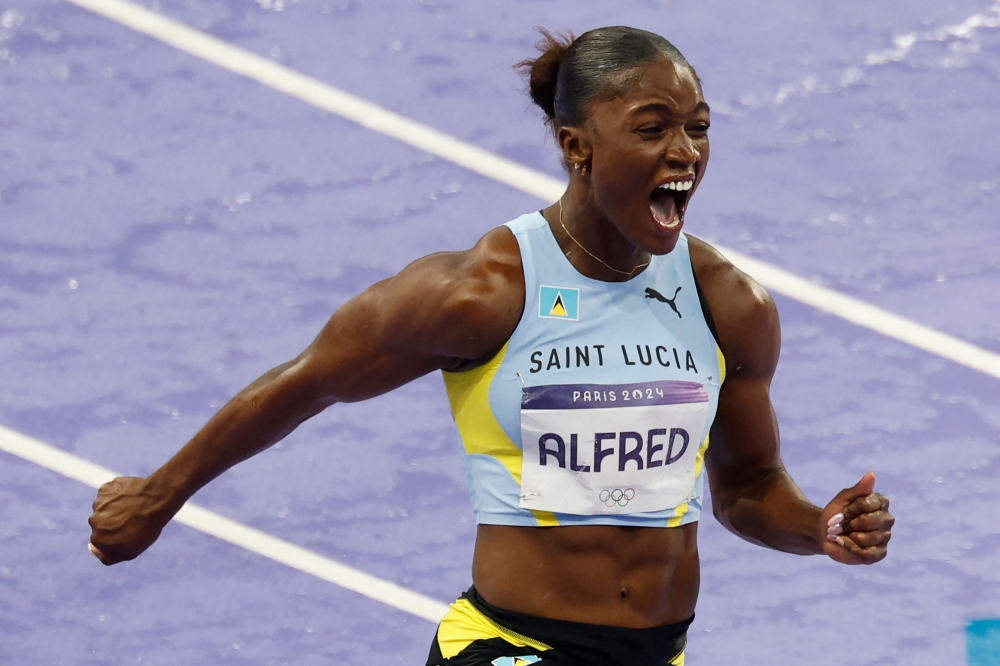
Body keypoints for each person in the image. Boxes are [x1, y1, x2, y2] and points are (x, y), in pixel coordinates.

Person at [88, 26, 894, 666]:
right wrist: (159, 497)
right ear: (577, 146)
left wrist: (816, 528)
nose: (685, 152)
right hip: (510, 649)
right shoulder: (482, 294)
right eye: (652, 130)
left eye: (698, 129)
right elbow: (310, 382)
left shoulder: (728, 305)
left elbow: (748, 486)